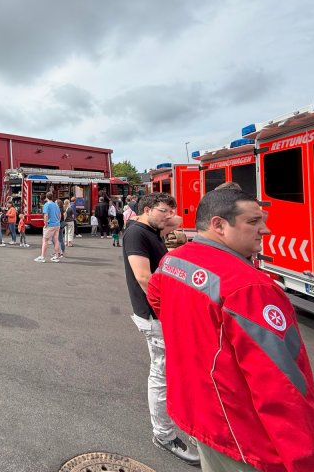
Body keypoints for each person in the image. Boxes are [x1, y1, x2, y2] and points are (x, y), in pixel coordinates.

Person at [148, 188, 314, 472]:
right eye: (253, 222)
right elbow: (280, 385)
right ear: (219, 225)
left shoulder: (173, 260)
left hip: (200, 413)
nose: (266, 229)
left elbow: (156, 299)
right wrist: (309, 462)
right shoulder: (250, 288)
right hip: (244, 436)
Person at [122, 192, 199, 465]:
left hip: (162, 315)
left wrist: (165, 215)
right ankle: (164, 435)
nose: (169, 217)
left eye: (169, 211)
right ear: (146, 209)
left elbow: (177, 220)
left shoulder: (151, 228)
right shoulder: (136, 235)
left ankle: (186, 428)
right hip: (156, 317)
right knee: (162, 375)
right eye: (163, 211)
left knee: (174, 372)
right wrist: (169, 311)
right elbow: (144, 277)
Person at [34, 191, 62, 263]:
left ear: (46, 197)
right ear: (52, 197)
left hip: (50, 225)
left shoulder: (46, 205)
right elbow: (60, 216)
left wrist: (45, 224)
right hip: (57, 225)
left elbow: (46, 215)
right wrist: (57, 221)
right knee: (56, 240)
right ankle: (56, 256)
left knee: (45, 240)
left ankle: (42, 257)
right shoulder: (56, 205)